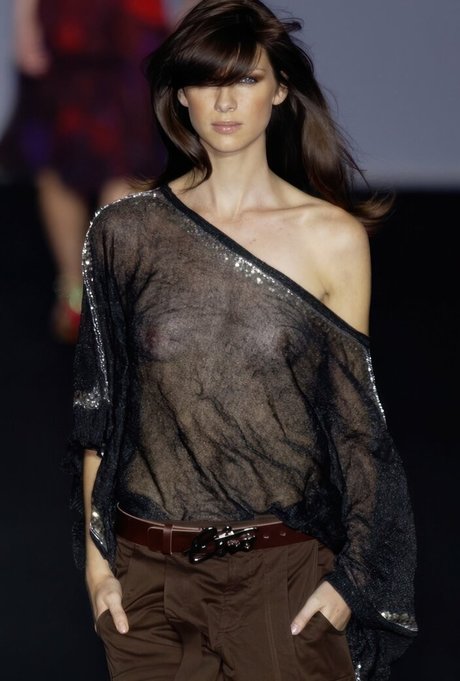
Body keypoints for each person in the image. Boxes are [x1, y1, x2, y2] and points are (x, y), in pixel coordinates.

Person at [67, 1, 417, 679]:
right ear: (181, 95)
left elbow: (357, 426)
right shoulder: (125, 231)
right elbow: (98, 411)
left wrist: (351, 583)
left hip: (279, 579)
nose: (225, 101)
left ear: (280, 89)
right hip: (148, 585)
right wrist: (98, 567)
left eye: (246, 79)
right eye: (206, 79)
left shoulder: (331, 238)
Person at [0, 0, 179, 343]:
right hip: (84, 23)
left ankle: (88, 297)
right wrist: (24, 21)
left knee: (122, 160)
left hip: (117, 22)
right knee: (70, 156)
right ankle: (88, 297)